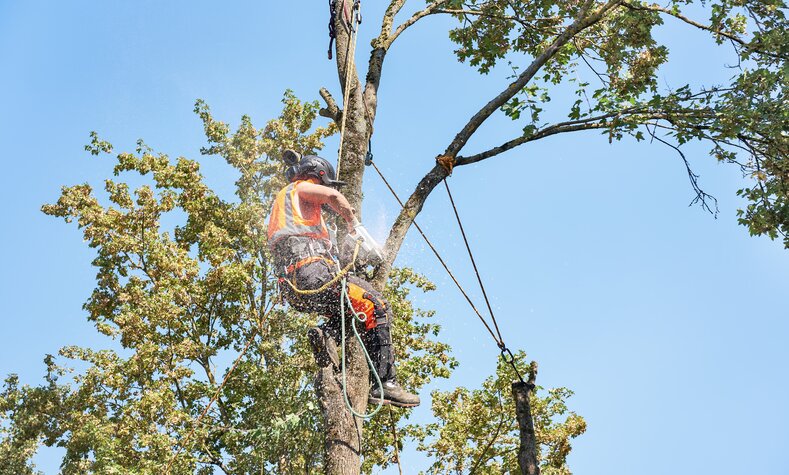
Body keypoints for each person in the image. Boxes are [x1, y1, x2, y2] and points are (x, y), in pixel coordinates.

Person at [267, 150, 420, 408]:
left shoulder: (291, 214)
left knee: (352, 314)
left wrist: (358, 255)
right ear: (320, 175)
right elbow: (333, 196)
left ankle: (327, 335)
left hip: (296, 288)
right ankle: (386, 383)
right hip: (313, 273)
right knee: (375, 305)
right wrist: (353, 223)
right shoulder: (300, 188)